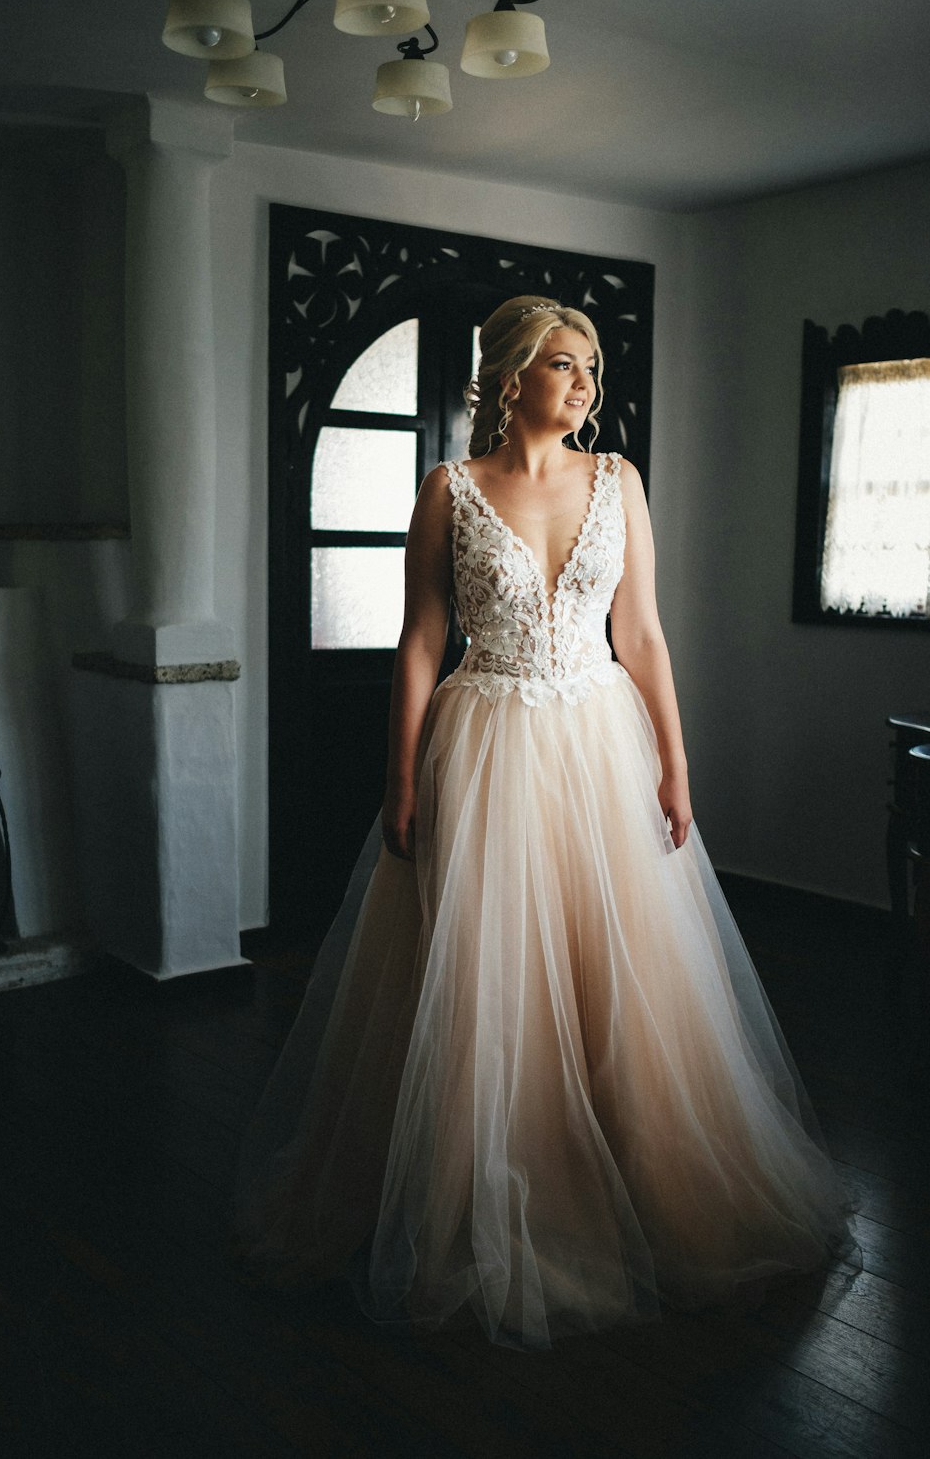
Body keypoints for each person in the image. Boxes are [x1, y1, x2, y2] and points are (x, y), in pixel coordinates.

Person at [235, 295, 854, 1348]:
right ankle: (484, 1199)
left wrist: (675, 765)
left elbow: (644, 635)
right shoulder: (449, 490)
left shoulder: (618, 481)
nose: (583, 386)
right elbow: (421, 641)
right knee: (485, 981)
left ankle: (644, 1179)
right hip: (485, 744)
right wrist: (401, 783)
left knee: (622, 974)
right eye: (563, 365)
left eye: (591, 370)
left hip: (600, 741)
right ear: (511, 373)